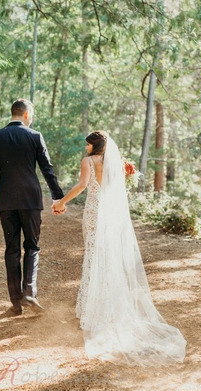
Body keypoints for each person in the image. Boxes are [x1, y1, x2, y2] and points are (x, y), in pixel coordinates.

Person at [52, 130, 186, 366]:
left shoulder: (88, 162)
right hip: (110, 215)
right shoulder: (116, 163)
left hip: (94, 213)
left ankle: (92, 310)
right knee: (107, 256)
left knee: (94, 256)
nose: (85, 149)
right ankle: (107, 307)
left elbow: (83, 185)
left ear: (95, 145)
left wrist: (62, 202)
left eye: (87, 145)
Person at [0, 99, 65, 316]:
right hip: (30, 200)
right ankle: (29, 292)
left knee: (11, 249)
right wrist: (58, 197)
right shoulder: (35, 136)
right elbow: (47, 169)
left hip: (7, 201)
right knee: (32, 246)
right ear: (27, 115)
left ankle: (16, 303)